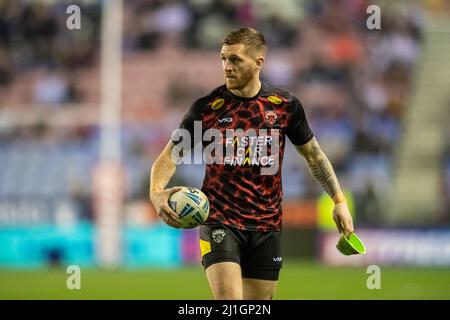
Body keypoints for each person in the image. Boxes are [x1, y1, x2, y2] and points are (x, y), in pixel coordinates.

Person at [149, 27, 354, 300]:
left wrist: (339, 200)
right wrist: (156, 190)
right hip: (220, 221)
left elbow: (314, 156)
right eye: (223, 58)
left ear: (259, 63)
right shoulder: (207, 108)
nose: (226, 67)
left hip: (266, 226)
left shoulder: (284, 106)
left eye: (235, 60)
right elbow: (169, 156)